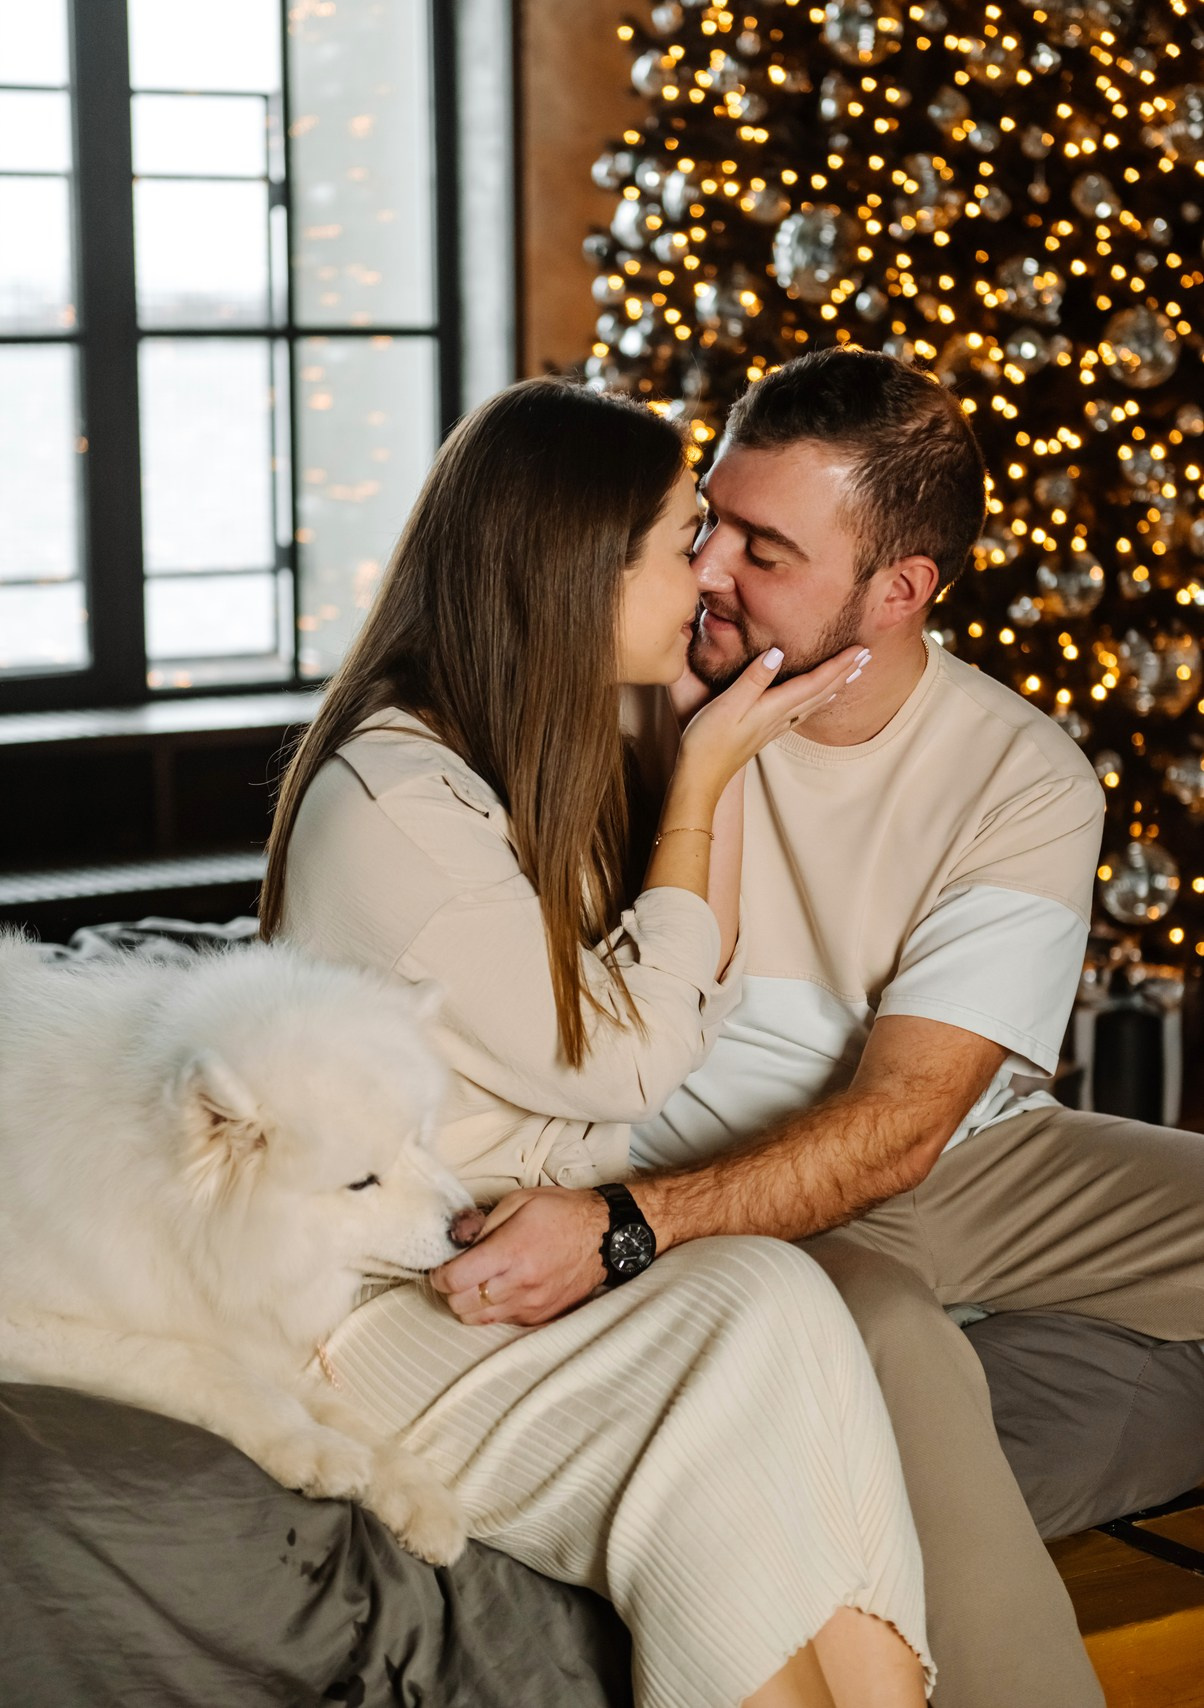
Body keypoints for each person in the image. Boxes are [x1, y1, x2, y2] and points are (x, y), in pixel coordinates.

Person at [435, 346, 1204, 1708]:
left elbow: (910, 1120)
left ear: (899, 589)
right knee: (893, 1340)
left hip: (947, 1157)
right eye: (711, 521)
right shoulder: (619, 694)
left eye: (765, 547)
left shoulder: (1014, 770)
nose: (709, 568)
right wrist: (624, 1219)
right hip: (704, 1186)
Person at [260, 377, 933, 1708]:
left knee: (778, 1302)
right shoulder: (398, 803)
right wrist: (703, 776)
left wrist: (712, 754)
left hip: (485, 1261)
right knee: (745, 1367)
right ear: (574, 574)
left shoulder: (510, 751)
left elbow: (687, 1004)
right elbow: (625, 1062)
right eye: (684, 541)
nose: (710, 579)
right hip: (385, 1315)